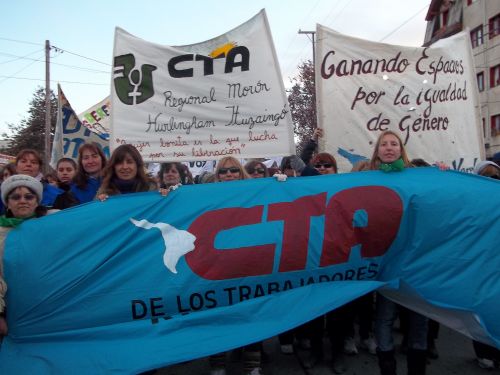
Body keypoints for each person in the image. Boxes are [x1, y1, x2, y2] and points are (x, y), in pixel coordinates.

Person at [369, 131, 429, 375]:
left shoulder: (418, 178)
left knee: (419, 317)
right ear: (377, 151)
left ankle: (417, 369)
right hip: (387, 260)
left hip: (415, 260)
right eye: (384, 144)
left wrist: (443, 174)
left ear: (401, 150)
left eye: (394, 143)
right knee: (384, 316)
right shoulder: (367, 179)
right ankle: (388, 368)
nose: (389, 148)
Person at [210, 156, 262, 375]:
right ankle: (218, 362)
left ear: (241, 172)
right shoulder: (207, 198)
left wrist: (281, 183)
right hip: (218, 268)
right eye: (224, 172)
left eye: (233, 170)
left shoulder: (257, 193)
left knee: (251, 314)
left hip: (249, 265)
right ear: (217, 176)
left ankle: (252, 365)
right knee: (218, 316)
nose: (229, 174)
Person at [0, 175, 52, 338]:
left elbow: (88, 221)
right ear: (7, 203)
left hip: (50, 306)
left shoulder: (54, 222)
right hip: (13, 311)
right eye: (15, 197)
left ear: (37, 201)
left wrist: (104, 198)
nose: (23, 200)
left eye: (29, 196)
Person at [470, 160, 500, 369]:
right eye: (487, 177)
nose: (492, 181)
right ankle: (484, 352)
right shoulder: (470, 202)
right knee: (480, 311)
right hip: (479, 265)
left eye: (496, 178)